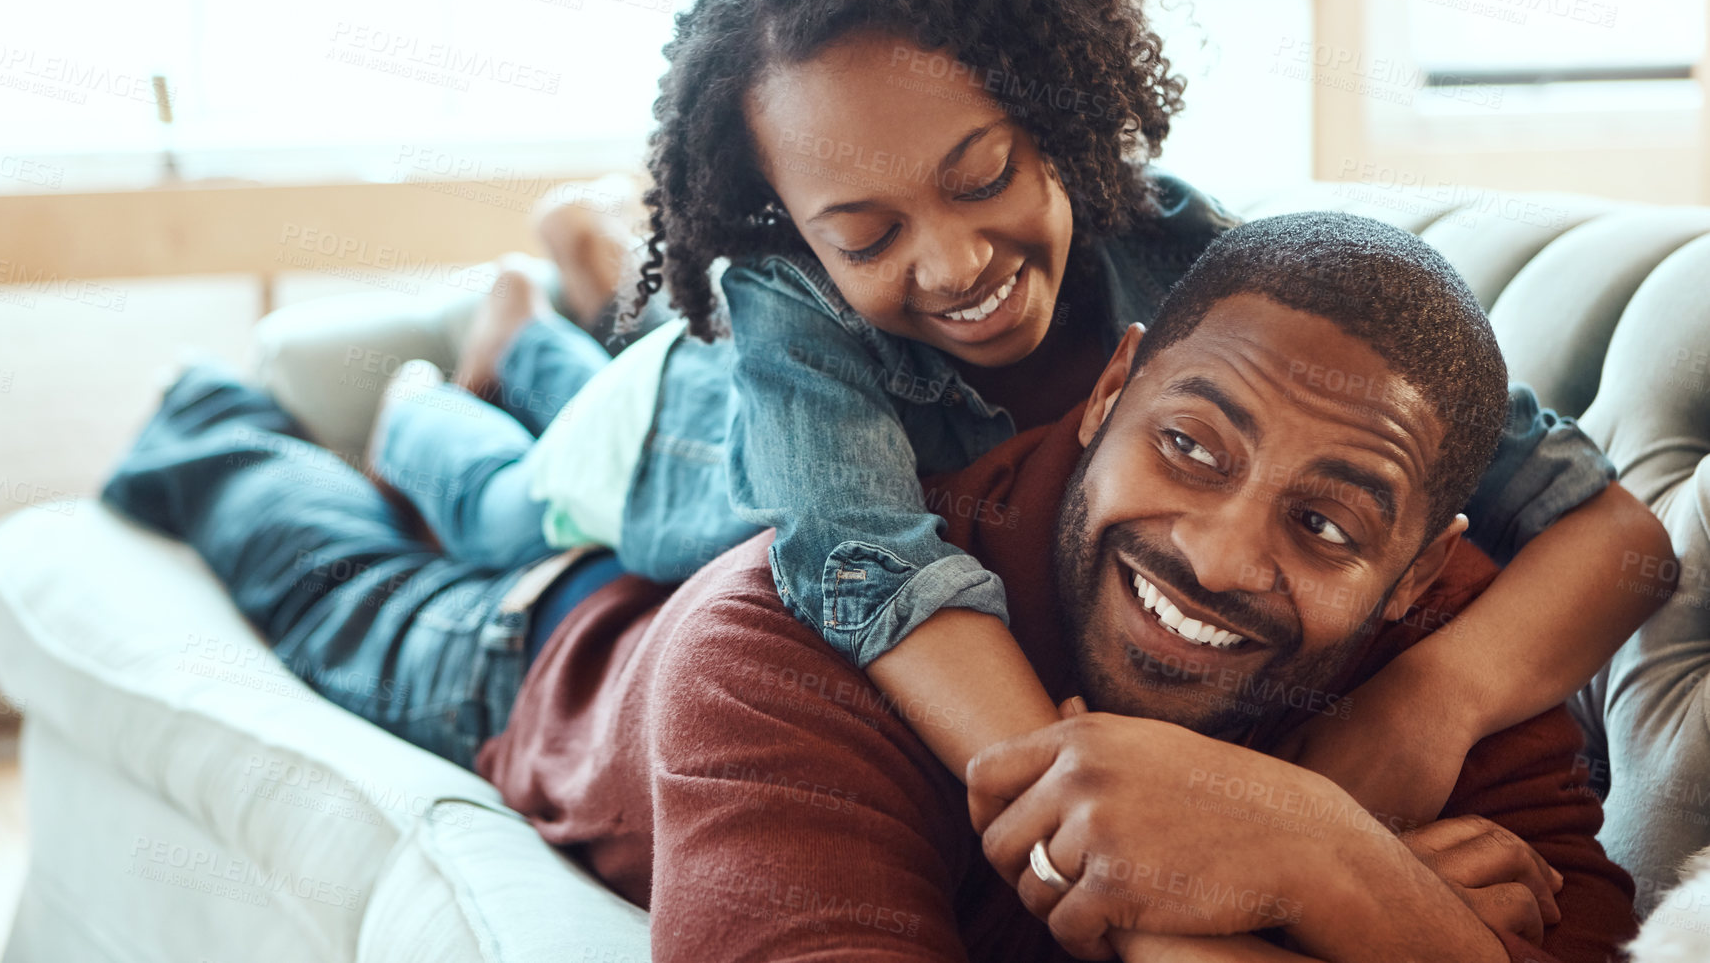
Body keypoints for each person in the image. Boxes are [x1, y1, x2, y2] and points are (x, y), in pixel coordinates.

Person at [361, 0, 1673, 830]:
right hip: (676, 452)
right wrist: (1181, 830)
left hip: (703, 374)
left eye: (984, 173)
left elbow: (1616, 538)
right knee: (498, 488)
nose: (954, 262)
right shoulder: (789, 305)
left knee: (595, 361)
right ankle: (468, 363)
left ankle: (563, 285)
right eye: (868, 236)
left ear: (1056, 112)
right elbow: (880, 579)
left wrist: (1428, 699)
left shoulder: (1196, 263)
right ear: (803, 237)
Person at [100, 213, 1641, 961]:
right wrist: (1379, 899)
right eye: (1191, 443)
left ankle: (534, 348)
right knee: (317, 532)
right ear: (1107, 392)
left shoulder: (1448, 659)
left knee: (558, 446)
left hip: (653, 521)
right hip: (553, 652)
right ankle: (249, 407)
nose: (1224, 555)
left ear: (1424, 567)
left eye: (1326, 526)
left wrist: (1316, 858)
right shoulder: (785, 636)